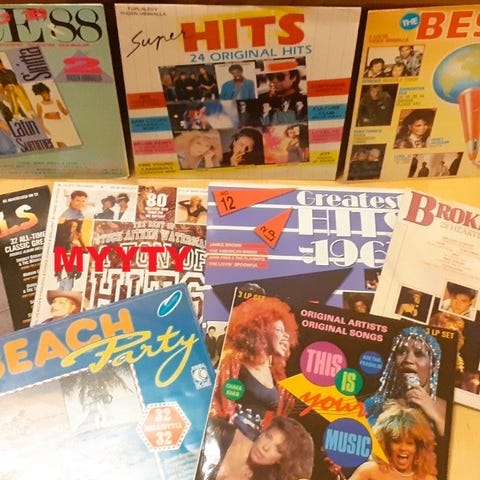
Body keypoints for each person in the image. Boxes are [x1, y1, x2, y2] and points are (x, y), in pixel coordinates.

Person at [211, 296, 299, 439]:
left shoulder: (277, 376)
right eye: (279, 330)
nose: (286, 337)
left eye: (286, 332)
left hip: (254, 444)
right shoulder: (233, 361)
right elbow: (217, 405)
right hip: (227, 439)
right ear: (260, 331)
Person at [363, 326, 446, 438]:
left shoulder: (446, 408)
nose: (408, 360)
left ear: (433, 365)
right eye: (401, 352)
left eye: (419, 354)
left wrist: (435, 416)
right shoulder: (375, 405)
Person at [197, 415, 314, 480]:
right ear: (263, 432)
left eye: (278, 449)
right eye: (269, 437)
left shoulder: (262, 477)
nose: (266, 447)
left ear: (280, 460)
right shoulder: (221, 433)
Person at [349, 401, 437, 480]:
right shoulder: (369, 471)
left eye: (410, 443)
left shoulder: (428, 478)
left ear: (419, 448)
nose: (403, 448)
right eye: (396, 442)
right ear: (385, 443)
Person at [32, 82, 75, 148]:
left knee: (64, 141)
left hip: (60, 123)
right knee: (59, 141)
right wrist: (44, 128)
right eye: (44, 93)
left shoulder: (56, 101)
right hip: (50, 125)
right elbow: (40, 118)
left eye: (48, 93)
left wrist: (71, 107)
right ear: (41, 95)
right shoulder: (39, 104)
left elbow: (65, 113)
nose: (47, 95)